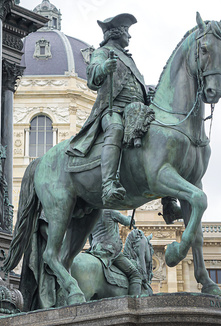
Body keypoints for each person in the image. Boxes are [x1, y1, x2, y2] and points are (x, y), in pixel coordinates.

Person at [67, 13, 150, 205]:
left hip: (136, 111)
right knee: (115, 129)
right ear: (116, 33)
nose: (129, 37)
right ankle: (109, 184)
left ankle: (168, 200)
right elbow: (92, 78)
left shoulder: (128, 58)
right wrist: (104, 68)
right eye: (126, 32)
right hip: (113, 109)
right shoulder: (102, 53)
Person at [89, 209, 142, 295]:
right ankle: (136, 305)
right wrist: (130, 218)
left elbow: (90, 238)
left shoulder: (91, 216)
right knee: (135, 275)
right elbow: (128, 222)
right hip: (111, 251)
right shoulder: (109, 211)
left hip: (95, 251)